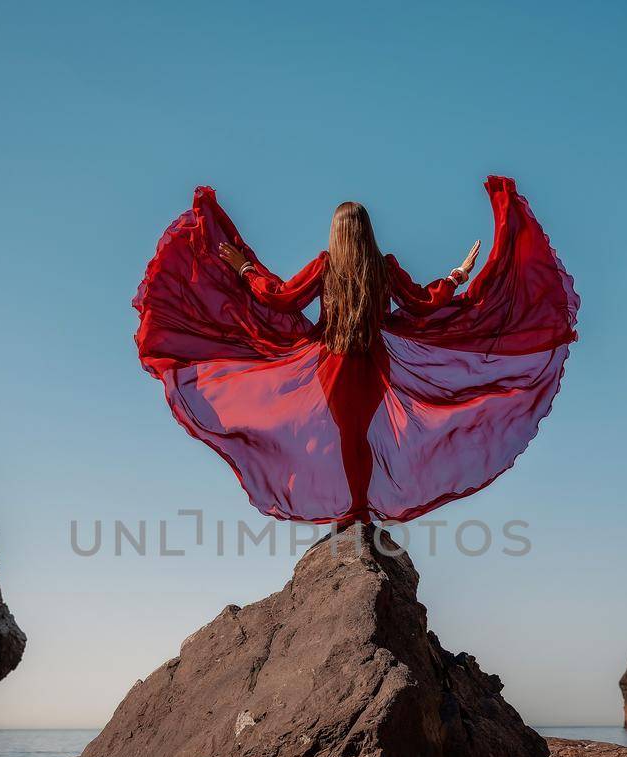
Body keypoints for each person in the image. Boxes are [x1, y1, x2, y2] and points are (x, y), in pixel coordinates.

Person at [133, 176, 579, 524]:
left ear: (337, 232)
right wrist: (459, 276)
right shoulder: (382, 267)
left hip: (333, 363)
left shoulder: (327, 265)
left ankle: (355, 513)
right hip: (373, 362)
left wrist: (245, 268)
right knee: (359, 437)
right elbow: (423, 303)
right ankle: (360, 512)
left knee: (347, 437)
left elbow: (280, 298)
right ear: (366, 232)